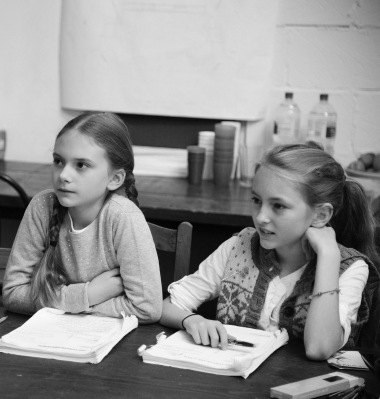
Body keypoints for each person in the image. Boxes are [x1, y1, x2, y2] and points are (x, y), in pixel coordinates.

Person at [160, 142, 380, 360]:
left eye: (278, 206)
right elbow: (168, 306)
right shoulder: (238, 247)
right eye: (257, 200)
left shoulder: (351, 269)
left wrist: (329, 255)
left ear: (321, 215)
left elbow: (319, 348)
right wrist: (191, 320)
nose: (261, 217)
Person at [3, 112, 162, 323]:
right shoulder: (42, 206)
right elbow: (13, 294)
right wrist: (88, 295)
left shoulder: (124, 217)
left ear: (115, 178)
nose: (63, 175)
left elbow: (147, 309)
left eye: (81, 165)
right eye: (58, 161)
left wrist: (65, 305)